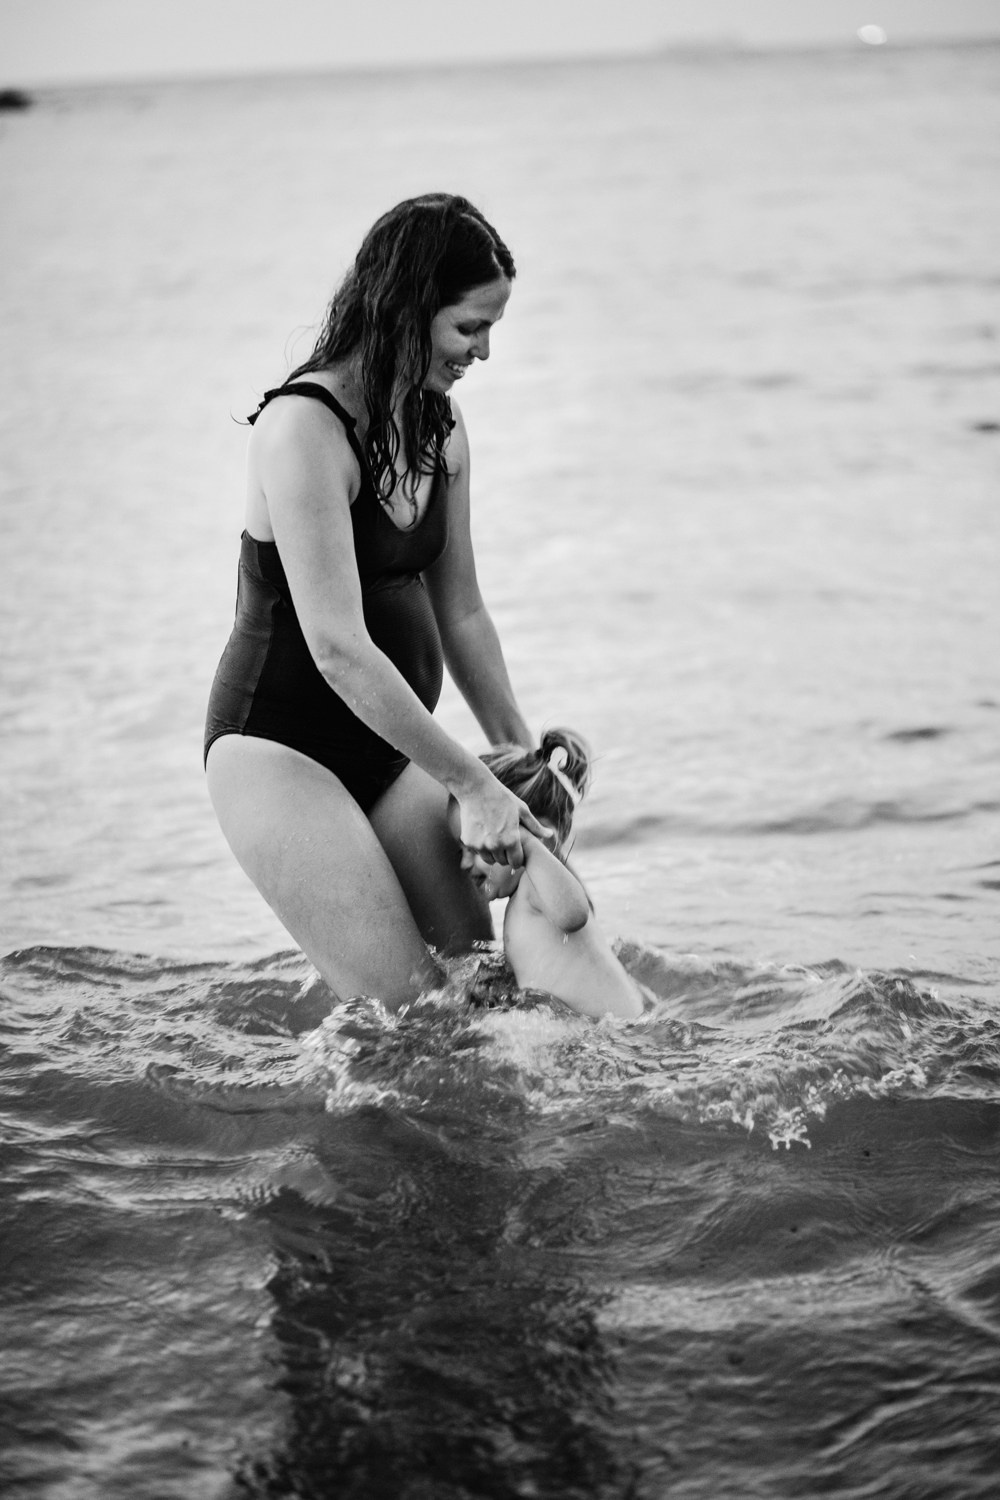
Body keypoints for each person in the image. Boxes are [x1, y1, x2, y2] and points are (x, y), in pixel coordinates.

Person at [204, 194, 551, 1008]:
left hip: (390, 753)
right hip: (276, 751)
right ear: (407, 307)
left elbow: (461, 610)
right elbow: (337, 648)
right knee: (411, 1013)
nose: (484, 352)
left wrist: (519, 767)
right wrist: (471, 786)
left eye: (492, 329)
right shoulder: (303, 429)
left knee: (484, 995)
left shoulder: (442, 428)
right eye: (470, 328)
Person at [453, 729, 645, 1021]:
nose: (465, 864)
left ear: (537, 837)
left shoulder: (536, 885)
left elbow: (575, 916)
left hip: (613, 1033)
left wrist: (530, 844)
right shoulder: (533, 891)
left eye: (478, 848)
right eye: (461, 850)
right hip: (596, 1031)